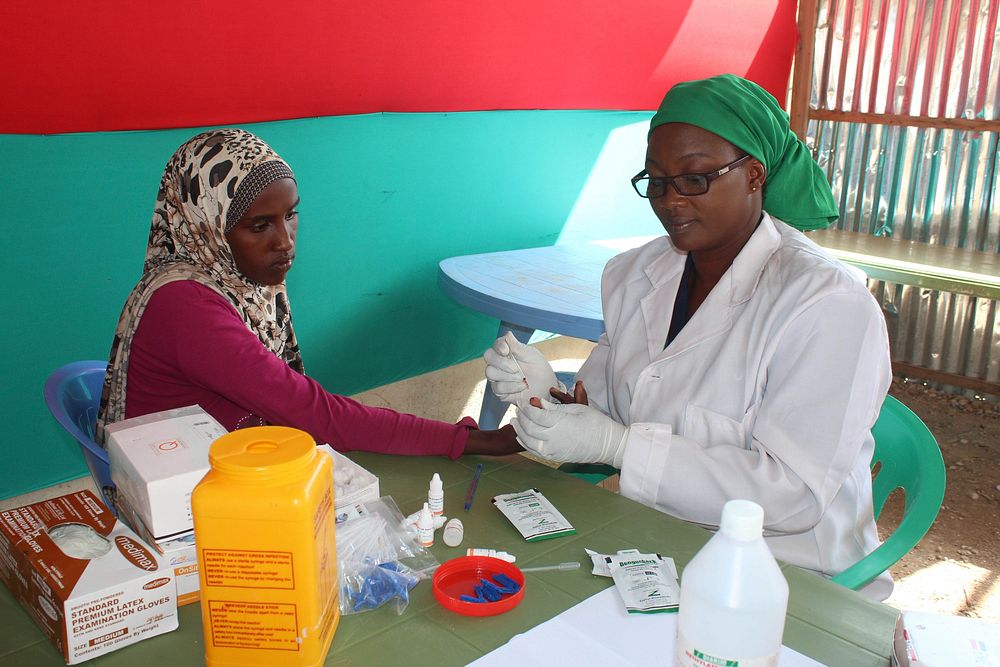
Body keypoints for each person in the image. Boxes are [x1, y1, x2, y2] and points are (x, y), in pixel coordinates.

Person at [484, 74, 893, 598]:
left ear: (753, 175)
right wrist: (543, 392)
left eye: (695, 178)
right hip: (658, 546)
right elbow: (607, 403)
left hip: (791, 575)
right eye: (656, 180)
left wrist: (620, 447)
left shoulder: (827, 306)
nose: (670, 200)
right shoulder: (633, 274)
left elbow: (792, 496)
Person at [96, 128, 520, 459]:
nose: (285, 240)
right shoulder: (186, 307)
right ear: (207, 226)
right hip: (181, 496)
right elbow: (317, 415)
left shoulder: (232, 280)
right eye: (259, 225)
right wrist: (476, 442)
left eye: (291, 214)